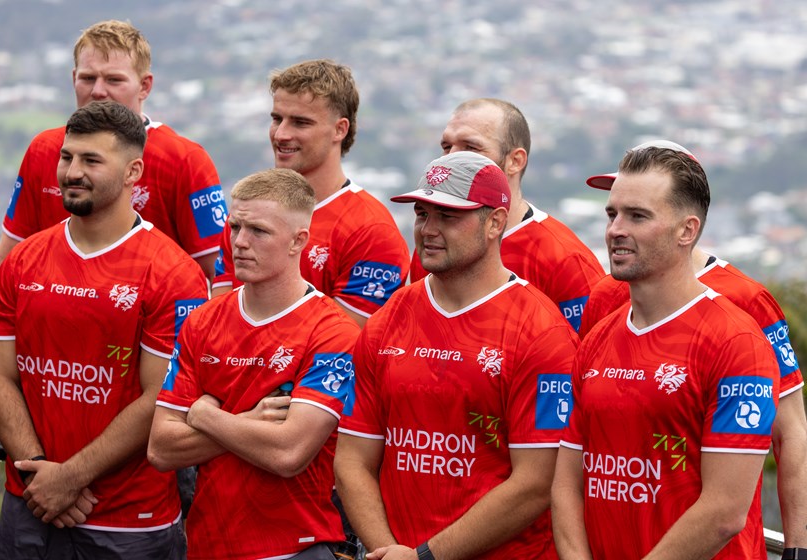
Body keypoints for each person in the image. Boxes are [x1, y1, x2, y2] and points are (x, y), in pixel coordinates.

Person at [0, 100, 208, 558]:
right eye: (67, 157)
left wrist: (70, 477)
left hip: (130, 519)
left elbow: (159, 398)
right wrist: (40, 474)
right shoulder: (23, 260)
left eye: (91, 160)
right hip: (29, 503)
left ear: (133, 172)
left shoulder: (173, 273)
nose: (71, 172)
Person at [334, 151, 580, 559]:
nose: (428, 230)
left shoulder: (541, 331)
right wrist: (387, 551)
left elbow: (536, 483)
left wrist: (424, 556)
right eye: (421, 213)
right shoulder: (390, 318)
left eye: (448, 217)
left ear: (495, 223)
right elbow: (352, 459)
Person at [0, 19, 226, 404]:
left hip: (146, 366)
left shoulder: (183, 159)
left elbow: (218, 279)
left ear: (145, 86)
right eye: (87, 77)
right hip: (54, 365)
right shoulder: (45, 150)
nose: (98, 91)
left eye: (114, 80)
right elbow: (6, 257)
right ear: (73, 78)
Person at [552, 144, 781, 558]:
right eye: (612, 214)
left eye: (638, 216)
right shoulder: (600, 337)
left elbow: (724, 512)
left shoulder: (737, 343)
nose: (615, 230)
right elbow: (566, 482)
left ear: (686, 231)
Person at [148, 168, 359, 559]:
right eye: (235, 227)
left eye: (258, 231)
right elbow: (161, 449)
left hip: (296, 547)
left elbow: (287, 454)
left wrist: (206, 415)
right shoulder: (204, 320)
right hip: (209, 545)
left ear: (299, 241)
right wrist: (248, 423)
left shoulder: (333, 332)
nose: (239, 243)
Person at [211, 59, 409, 328]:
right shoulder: (248, 214)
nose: (281, 134)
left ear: (340, 129)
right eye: (277, 119)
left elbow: (343, 342)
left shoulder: (371, 230)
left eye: (300, 123)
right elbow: (217, 321)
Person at [408, 98, 605, 333]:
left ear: (515, 161)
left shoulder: (565, 260)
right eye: (446, 147)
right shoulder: (435, 244)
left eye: (471, 148)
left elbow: (590, 354)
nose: (452, 159)